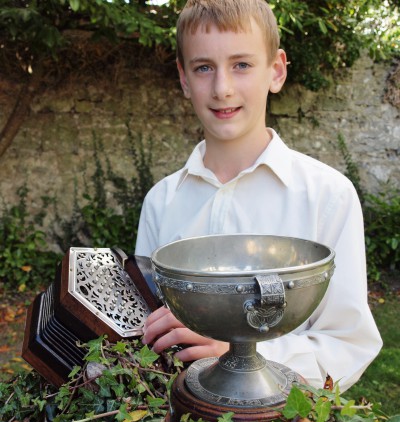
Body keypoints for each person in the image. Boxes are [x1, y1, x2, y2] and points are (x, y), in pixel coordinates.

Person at [135, 0, 382, 392]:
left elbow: (347, 345)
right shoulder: (160, 202)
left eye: (241, 65)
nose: (222, 88)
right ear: (184, 78)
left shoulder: (328, 196)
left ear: (276, 71)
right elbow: (149, 328)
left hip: (284, 418)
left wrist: (238, 354)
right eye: (203, 68)